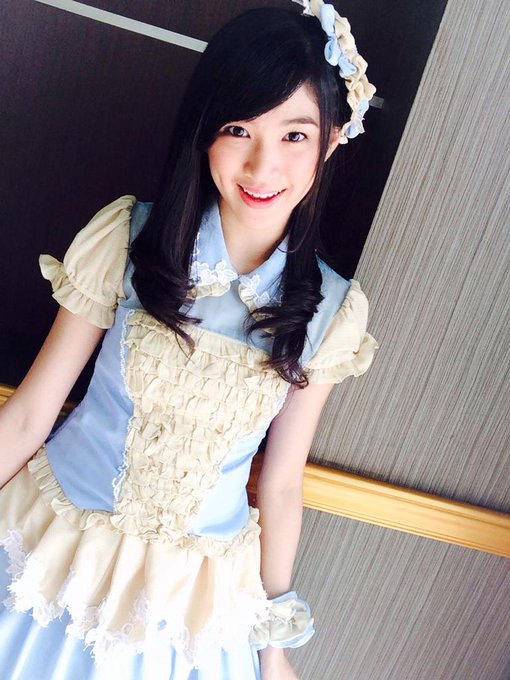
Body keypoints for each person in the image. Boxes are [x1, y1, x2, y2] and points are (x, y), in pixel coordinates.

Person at [0, 2, 378, 678]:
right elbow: (30, 413)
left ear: (330, 140)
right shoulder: (126, 240)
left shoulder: (331, 311)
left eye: (294, 135)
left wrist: (272, 649)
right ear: (205, 133)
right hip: (57, 547)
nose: (262, 165)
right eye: (238, 129)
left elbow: (280, 484)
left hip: (192, 603)